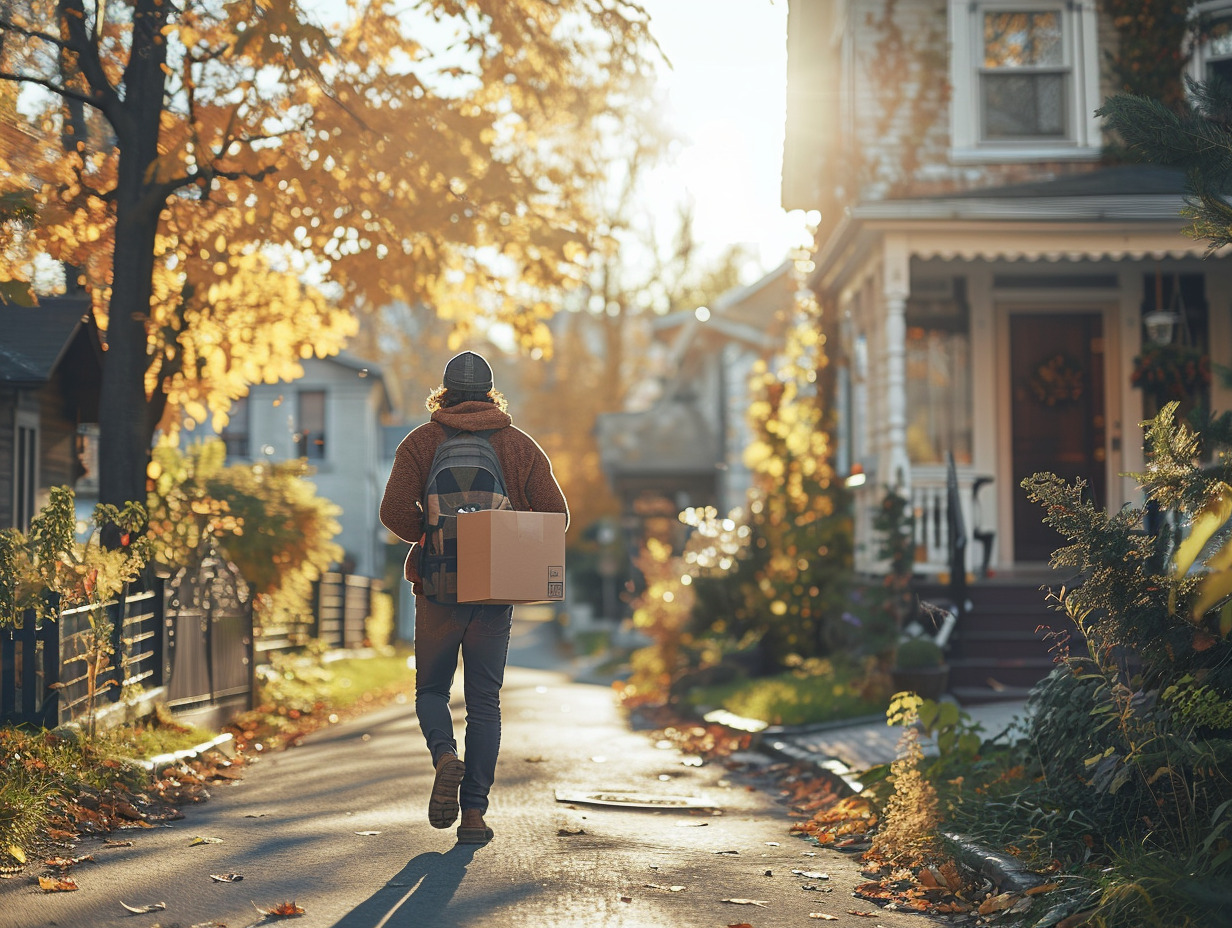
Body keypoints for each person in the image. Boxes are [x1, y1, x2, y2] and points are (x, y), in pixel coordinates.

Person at [380, 350, 569, 844]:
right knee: (485, 702)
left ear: (443, 393)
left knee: (431, 691)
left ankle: (445, 756)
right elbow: (556, 515)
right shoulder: (518, 445)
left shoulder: (421, 442)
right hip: (493, 589)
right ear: (490, 394)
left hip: (438, 588)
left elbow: (393, 512)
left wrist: (430, 532)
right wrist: (507, 532)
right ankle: (474, 816)